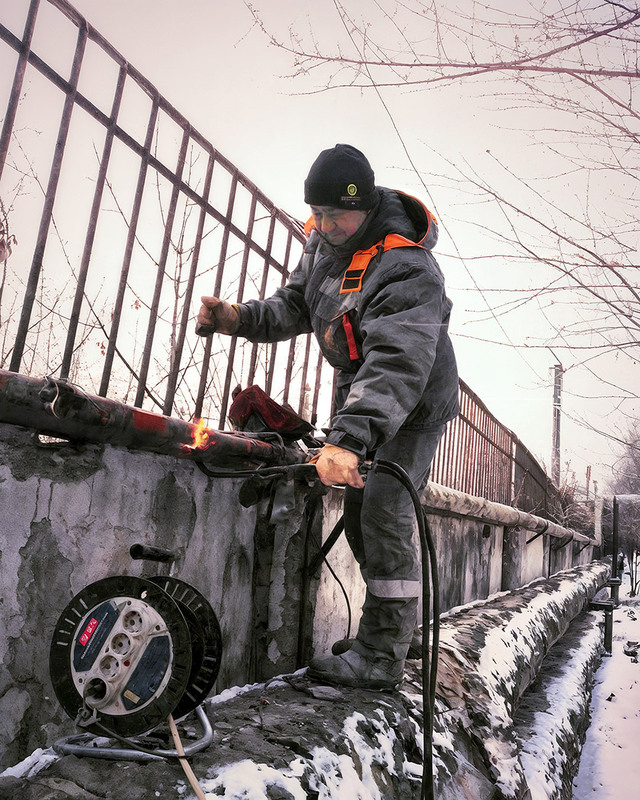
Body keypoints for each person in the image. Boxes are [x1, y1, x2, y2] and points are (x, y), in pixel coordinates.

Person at [197, 143, 459, 690]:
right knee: (364, 512)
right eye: (314, 214)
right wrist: (238, 318)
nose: (322, 226)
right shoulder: (322, 242)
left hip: (409, 401)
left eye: (335, 215)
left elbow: (396, 364)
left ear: (363, 207)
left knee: (385, 512)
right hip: (363, 392)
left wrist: (350, 437)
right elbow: (296, 303)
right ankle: (394, 635)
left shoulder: (407, 266)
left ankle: (383, 656)